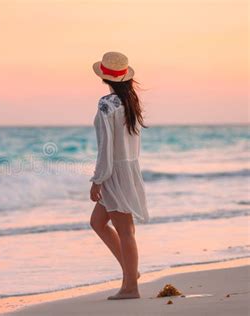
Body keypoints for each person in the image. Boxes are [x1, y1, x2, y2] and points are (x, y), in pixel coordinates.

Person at [89, 51, 150, 300]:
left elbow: (106, 147)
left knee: (125, 231)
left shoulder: (107, 104)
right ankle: (131, 273)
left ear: (105, 78)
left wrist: (97, 179)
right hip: (128, 169)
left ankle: (130, 288)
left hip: (114, 172)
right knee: (98, 223)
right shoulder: (130, 102)